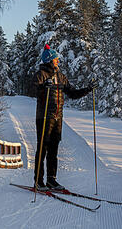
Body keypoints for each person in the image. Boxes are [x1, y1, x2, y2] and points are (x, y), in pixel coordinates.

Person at [33, 44, 96, 191]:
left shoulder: (61, 77)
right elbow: (33, 88)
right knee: (42, 149)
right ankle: (38, 181)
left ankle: (51, 180)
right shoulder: (40, 75)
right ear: (49, 60)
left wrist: (87, 89)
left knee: (54, 149)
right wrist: (44, 87)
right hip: (44, 117)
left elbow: (72, 93)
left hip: (57, 118)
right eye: (56, 59)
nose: (58, 61)